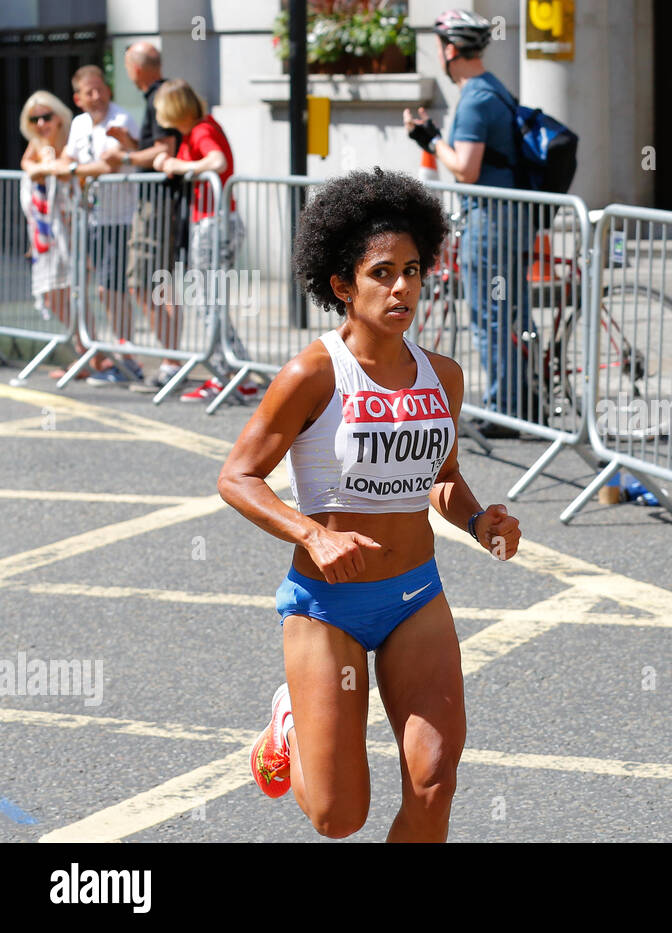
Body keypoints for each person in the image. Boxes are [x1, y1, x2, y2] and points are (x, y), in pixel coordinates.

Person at [216, 168, 522, 842]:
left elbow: (438, 476)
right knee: (338, 815)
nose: (403, 286)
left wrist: (478, 519)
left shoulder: (442, 375)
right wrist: (311, 534)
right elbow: (238, 476)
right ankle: (290, 723)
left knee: (434, 780)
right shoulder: (314, 373)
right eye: (382, 272)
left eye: (413, 270)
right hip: (328, 605)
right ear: (342, 284)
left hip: (416, 596)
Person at [403, 8, 535, 439]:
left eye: (441, 46)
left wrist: (430, 138)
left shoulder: (476, 98)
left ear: (451, 49)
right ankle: (522, 401)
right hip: (512, 219)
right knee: (512, 311)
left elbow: (467, 168)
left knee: (490, 315)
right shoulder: (493, 88)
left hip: (491, 221)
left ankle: (503, 410)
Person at [150, 78, 259, 402]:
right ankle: (236, 373)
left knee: (206, 300)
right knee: (208, 301)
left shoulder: (201, 130)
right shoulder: (199, 128)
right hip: (214, 220)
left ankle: (231, 374)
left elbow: (217, 163)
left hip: (213, 221)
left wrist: (178, 165)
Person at [51, 64, 145, 386]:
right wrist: (76, 167)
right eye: (89, 92)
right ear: (78, 98)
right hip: (91, 217)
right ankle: (115, 353)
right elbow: (64, 160)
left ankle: (126, 355)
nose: (97, 96)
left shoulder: (120, 119)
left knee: (112, 289)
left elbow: (109, 163)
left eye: (101, 89)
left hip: (120, 217)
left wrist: (75, 168)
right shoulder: (78, 124)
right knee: (104, 289)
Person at [120, 41, 186, 388]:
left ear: (137, 68)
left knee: (146, 282)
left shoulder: (159, 96)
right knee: (156, 284)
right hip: (158, 201)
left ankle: (172, 363)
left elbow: (164, 150)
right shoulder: (161, 95)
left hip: (158, 203)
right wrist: (132, 145)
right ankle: (171, 361)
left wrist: (126, 158)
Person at [17, 91, 79, 377]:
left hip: (71, 228)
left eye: (46, 116)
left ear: (59, 116)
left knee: (74, 292)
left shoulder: (69, 139)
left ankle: (94, 354)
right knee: (54, 295)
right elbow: (27, 164)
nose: (41, 123)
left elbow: (65, 169)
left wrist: (45, 167)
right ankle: (83, 352)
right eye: (35, 118)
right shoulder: (37, 143)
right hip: (46, 234)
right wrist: (41, 167)